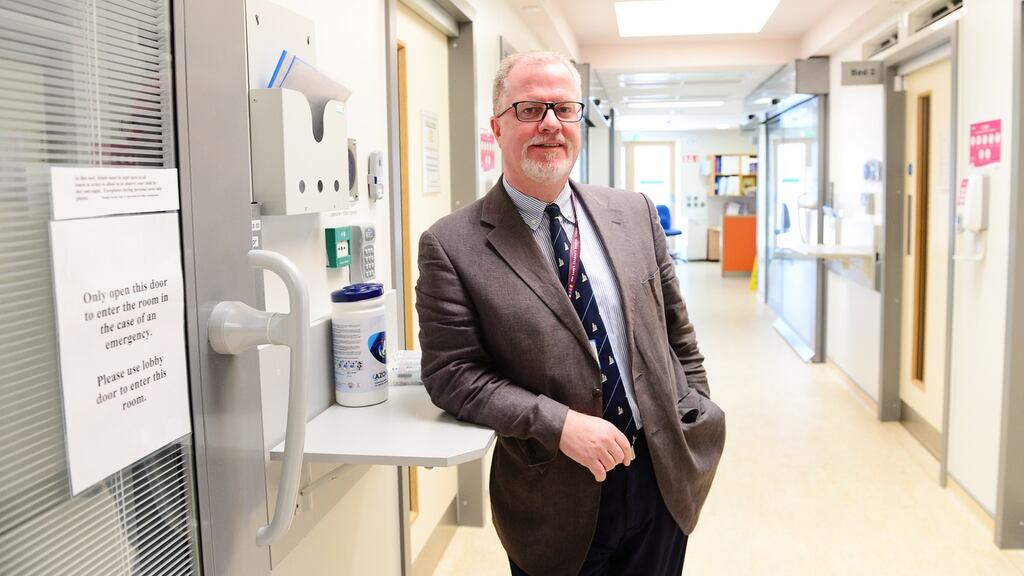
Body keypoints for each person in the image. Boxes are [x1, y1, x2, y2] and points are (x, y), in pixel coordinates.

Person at [415, 50, 726, 576]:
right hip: (554, 494)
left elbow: (677, 330)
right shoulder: (452, 245)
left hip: (661, 477)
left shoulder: (633, 213)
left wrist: (694, 410)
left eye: (563, 109)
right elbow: (452, 374)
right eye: (530, 110)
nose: (550, 126)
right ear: (496, 127)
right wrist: (558, 425)